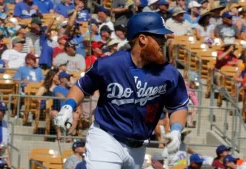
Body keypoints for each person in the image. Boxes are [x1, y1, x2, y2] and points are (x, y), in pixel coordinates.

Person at [54, 12, 189, 169]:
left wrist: (176, 130)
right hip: (107, 138)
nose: (164, 41)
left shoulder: (168, 73)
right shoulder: (110, 64)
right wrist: (68, 106)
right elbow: (82, 86)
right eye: (159, 37)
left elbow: (178, 105)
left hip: (139, 147)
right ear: (143, 39)